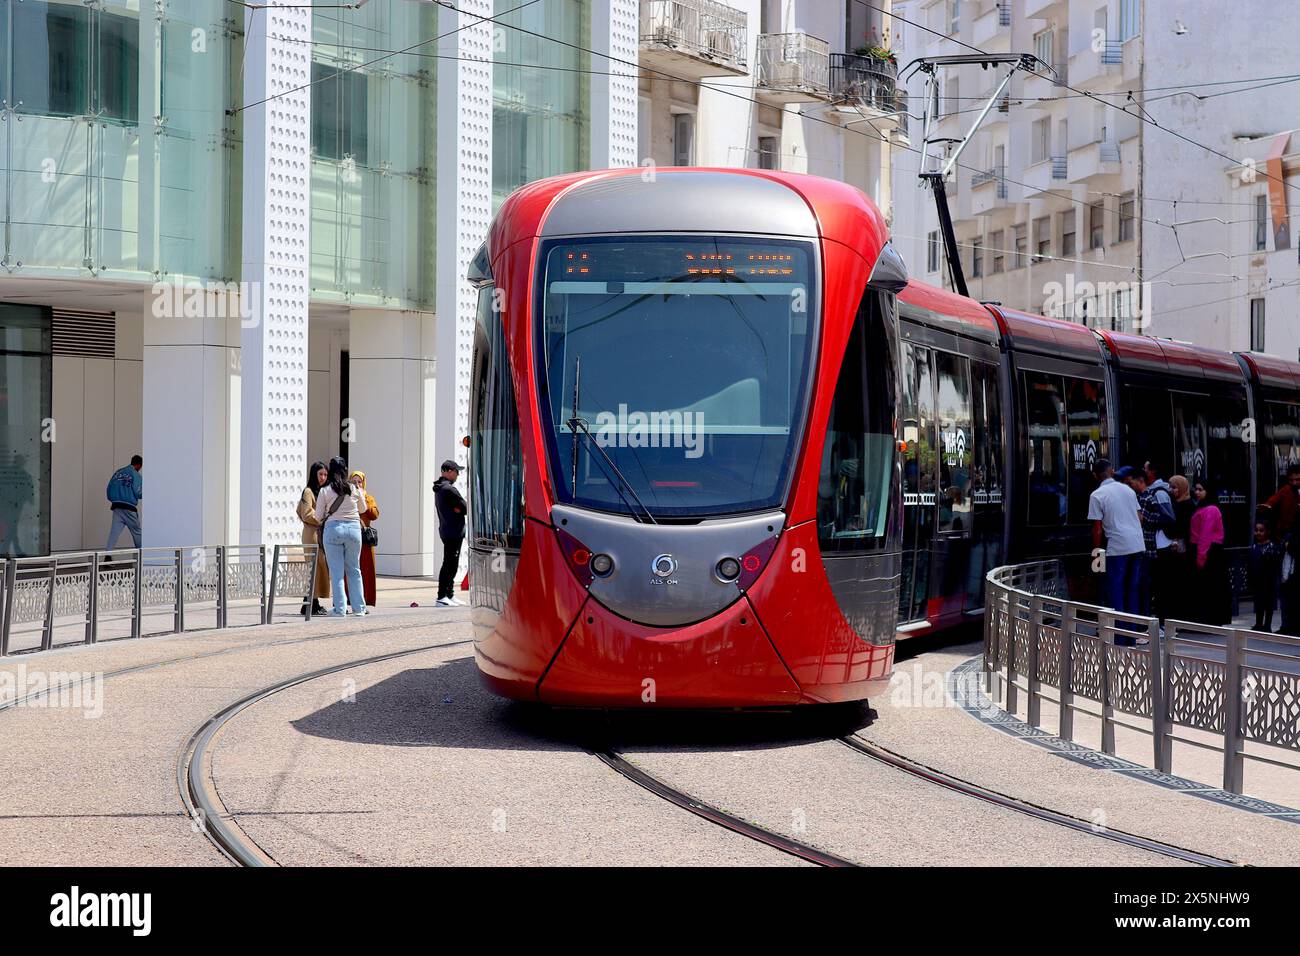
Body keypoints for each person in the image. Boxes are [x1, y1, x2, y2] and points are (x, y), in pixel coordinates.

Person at [1087, 459, 1145, 637]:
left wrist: (1097, 554)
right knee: (1132, 590)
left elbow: (1097, 528)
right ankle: (1132, 634)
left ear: (1095, 475)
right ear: (1112, 471)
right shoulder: (1128, 490)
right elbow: (1139, 517)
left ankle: (1118, 635)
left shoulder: (1097, 495)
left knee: (1116, 591)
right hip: (1137, 544)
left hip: (1116, 547)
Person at [314, 456, 367, 617]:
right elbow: (363, 508)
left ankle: (340, 609)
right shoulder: (353, 488)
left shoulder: (325, 490)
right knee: (354, 570)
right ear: (345, 470)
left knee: (336, 572)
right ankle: (359, 608)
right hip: (353, 530)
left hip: (333, 530)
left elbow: (318, 516)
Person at [1122, 465, 1176, 618]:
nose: (1129, 487)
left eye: (1130, 483)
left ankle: (1155, 621)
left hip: (1151, 548)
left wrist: (1145, 520)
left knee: (1150, 586)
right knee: (1146, 586)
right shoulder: (1140, 497)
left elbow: (1165, 518)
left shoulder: (1149, 497)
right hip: (1146, 548)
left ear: (1139, 481)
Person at [1190, 481, 1231, 625]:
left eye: (1201, 489)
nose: (1197, 492)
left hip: (1208, 552)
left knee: (1211, 586)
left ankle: (1211, 618)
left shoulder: (1211, 509)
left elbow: (1205, 535)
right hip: (1207, 550)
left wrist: (1201, 557)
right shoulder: (1202, 507)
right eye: (1196, 489)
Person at [296, 461, 330, 616]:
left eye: (325, 474)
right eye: (320, 474)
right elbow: (306, 513)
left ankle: (312, 603)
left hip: (320, 533)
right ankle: (310, 604)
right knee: (314, 567)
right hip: (312, 534)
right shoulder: (309, 491)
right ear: (314, 474)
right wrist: (322, 519)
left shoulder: (323, 491)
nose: (323, 477)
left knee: (319, 567)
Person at [433, 459, 467, 608]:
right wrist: (458, 509)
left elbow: (461, 508)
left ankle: (449, 594)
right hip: (453, 531)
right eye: (456, 471)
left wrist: (458, 508)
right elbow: (465, 507)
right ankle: (442, 596)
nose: (458, 474)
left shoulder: (441, 488)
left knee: (451, 563)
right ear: (448, 471)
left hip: (447, 530)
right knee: (449, 564)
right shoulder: (448, 489)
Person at [1165, 474, 1196, 622]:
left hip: (1184, 552)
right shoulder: (1174, 503)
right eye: (1170, 487)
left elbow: (1181, 528)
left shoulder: (1188, 506)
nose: (1171, 490)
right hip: (1175, 551)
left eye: (1175, 487)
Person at [349, 470, 380, 608]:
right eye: (354, 482)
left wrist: (363, 500)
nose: (357, 485)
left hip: (365, 538)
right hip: (351, 536)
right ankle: (349, 599)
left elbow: (374, 515)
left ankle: (367, 599)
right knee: (351, 568)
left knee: (367, 568)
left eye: (359, 482)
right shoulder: (347, 497)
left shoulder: (369, 497)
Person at [1249, 519, 1283, 633]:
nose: (1258, 533)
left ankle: (1267, 625)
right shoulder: (1254, 547)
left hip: (1269, 580)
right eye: (1256, 530)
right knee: (1258, 603)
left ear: (1267, 531)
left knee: (1268, 604)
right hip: (1257, 580)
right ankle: (1259, 623)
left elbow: (1275, 565)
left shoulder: (1272, 547)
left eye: (1261, 530)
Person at [106, 455, 143, 549]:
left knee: (113, 534)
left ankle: (107, 556)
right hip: (129, 507)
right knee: (137, 532)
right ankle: (142, 556)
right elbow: (138, 492)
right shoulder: (135, 475)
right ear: (139, 465)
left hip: (116, 507)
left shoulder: (118, 472)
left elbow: (109, 488)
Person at [1260, 463, 1300, 541]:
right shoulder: (1286, 490)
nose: (1294, 483)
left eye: (1298, 480)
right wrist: (1266, 506)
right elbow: (1273, 500)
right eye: (1291, 480)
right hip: (1285, 532)